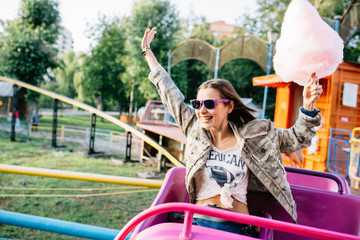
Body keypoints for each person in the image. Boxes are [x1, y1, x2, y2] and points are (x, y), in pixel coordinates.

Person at [141, 27, 322, 237]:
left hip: (238, 229)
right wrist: (148, 53)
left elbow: (296, 138)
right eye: (197, 103)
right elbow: (168, 92)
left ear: (229, 107)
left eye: (209, 103)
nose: (201, 109)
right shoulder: (194, 129)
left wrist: (308, 106)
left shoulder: (256, 134)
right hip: (199, 225)